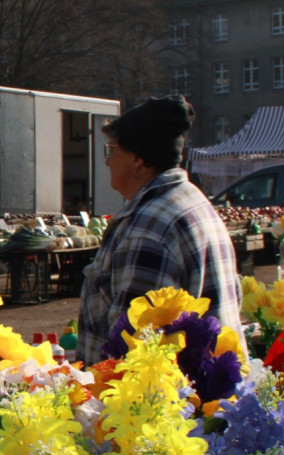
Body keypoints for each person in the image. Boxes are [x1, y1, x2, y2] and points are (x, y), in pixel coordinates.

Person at [77, 94, 244, 365]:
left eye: (112, 151)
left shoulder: (149, 227)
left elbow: (130, 347)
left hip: (160, 403)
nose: (107, 161)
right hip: (204, 400)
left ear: (139, 161)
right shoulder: (192, 200)